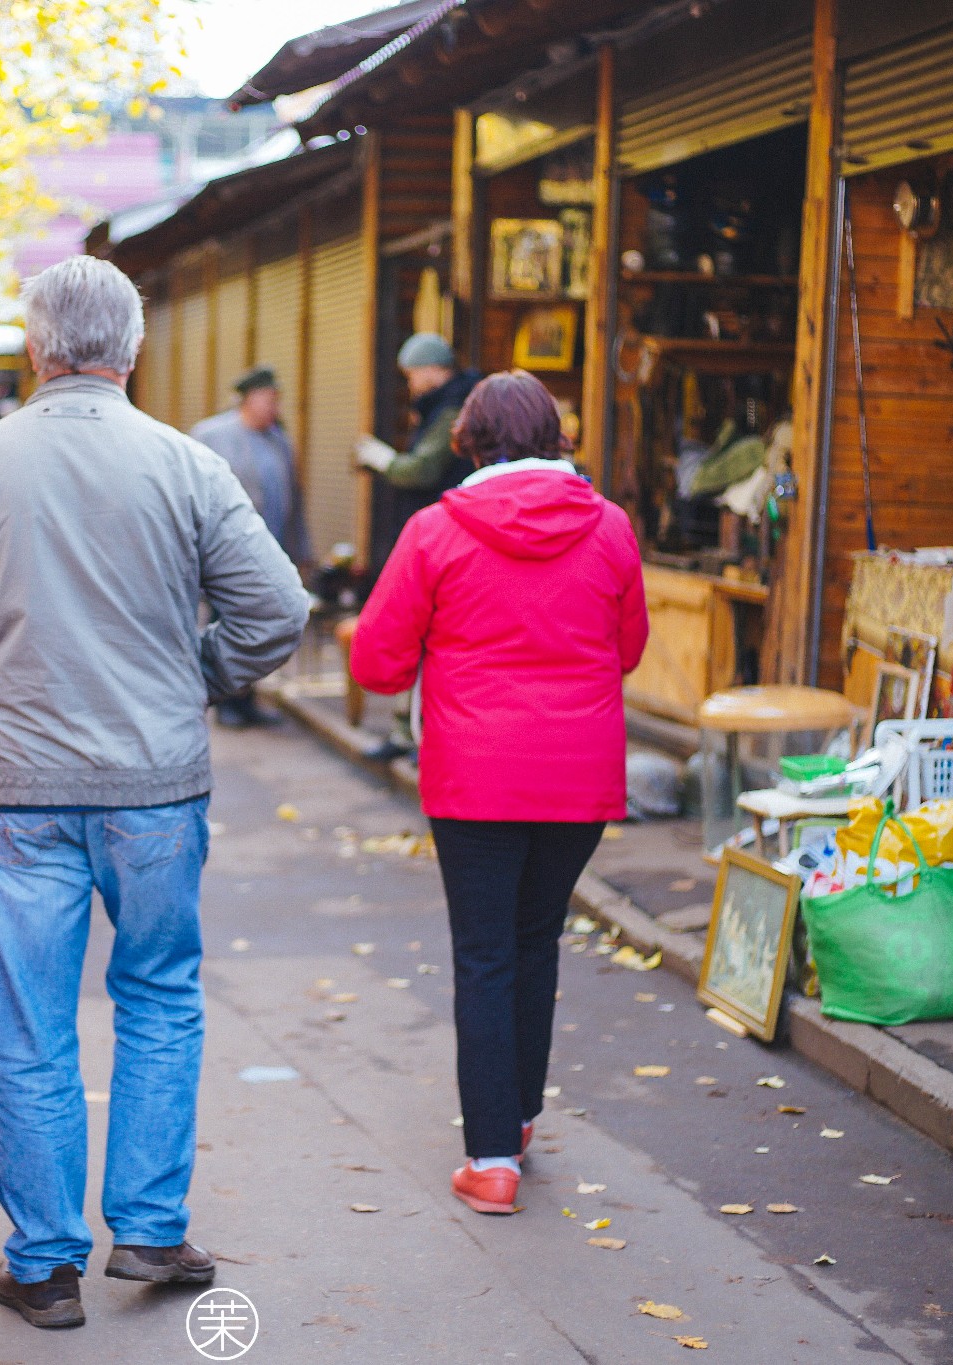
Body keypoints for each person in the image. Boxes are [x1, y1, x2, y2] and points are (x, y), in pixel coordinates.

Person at [0, 255, 308, 1330]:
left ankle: (44, 1263)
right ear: (133, 349)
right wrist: (192, 677)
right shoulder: (187, 466)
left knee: (31, 1020)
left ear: (35, 349)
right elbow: (278, 611)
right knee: (157, 996)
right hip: (156, 790)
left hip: (19, 794)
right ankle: (150, 1228)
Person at [347, 369, 647, 1217]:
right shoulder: (612, 528)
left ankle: (490, 1161)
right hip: (578, 778)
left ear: (468, 440)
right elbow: (627, 648)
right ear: (557, 437)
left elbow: (376, 661)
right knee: (535, 943)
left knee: (483, 953)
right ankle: (515, 1120)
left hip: (473, 776)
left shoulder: (436, 531)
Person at [353, 332, 480, 760]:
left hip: (443, 535)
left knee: (423, 631)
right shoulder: (451, 404)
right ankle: (412, 730)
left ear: (432, 371)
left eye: (412, 375)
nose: (410, 384)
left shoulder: (450, 409)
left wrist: (382, 459)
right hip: (447, 531)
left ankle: (415, 733)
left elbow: (424, 470)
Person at [191, 365, 307, 729]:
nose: (273, 405)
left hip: (269, 545)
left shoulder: (279, 439)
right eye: (266, 398)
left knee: (259, 619)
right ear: (247, 399)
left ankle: (247, 699)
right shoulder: (212, 435)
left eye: (276, 399)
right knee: (226, 619)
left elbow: (294, 497)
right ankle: (224, 699)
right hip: (225, 550)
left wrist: (300, 549)